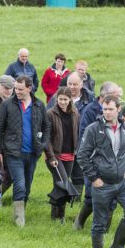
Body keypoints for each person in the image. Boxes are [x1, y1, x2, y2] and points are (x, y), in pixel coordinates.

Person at [77, 96, 125, 248]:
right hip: (102, 184)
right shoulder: (93, 129)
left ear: (118, 109)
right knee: (100, 224)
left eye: (110, 109)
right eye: (104, 109)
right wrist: (94, 178)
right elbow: (82, 156)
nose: (107, 112)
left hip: (123, 182)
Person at [0, 76, 51, 227]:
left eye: (20, 89)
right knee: (20, 183)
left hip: (32, 153)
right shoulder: (7, 105)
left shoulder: (39, 105)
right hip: (13, 152)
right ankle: (19, 220)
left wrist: (43, 144)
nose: (16, 91)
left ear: (29, 89)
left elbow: (46, 126)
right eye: (15, 89)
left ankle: (21, 210)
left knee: (28, 186)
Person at [73, 81, 124, 230]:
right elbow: (84, 138)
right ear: (105, 96)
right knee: (92, 196)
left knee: (112, 198)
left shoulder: (118, 111)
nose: (119, 97)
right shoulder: (90, 111)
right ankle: (79, 222)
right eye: (116, 95)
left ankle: (104, 231)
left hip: (114, 164)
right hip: (95, 162)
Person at [45, 87, 80, 223]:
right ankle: (58, 216)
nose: (63, 102)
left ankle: (58, 215)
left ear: (70, 99)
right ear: (56, 99)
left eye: (65, 99)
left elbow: (77, 133)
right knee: (64, 184)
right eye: (60, 99)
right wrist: (51, 156)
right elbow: (46, 138)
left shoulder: (75, 114)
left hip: (70, 155)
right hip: (55, 156)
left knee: (59, 185)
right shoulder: (50, 114)